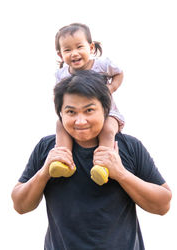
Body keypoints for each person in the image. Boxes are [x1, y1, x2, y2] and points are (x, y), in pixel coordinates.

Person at [11, 70, 172, 250]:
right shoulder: (47, 148)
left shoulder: (129, 147)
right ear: (60, 114)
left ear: (105, 110)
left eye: (89, 110)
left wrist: (121, 174)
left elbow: (162, 205)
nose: (80, 121)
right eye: (71, 112)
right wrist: (43, 173)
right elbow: (20, 205)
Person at [50, 23, 124, 185]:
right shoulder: (62, 74)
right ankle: (63, 160)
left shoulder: (102, 65)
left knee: (107, 129)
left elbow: (119, 73)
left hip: (109, 113)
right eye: (67, 50)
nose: (74, 53)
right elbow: (58, 94)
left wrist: (111, 88)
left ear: (90, 48)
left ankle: (103, 165)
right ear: (61, 55)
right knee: (60, 124)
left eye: (79, 47)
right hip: (79, 116)